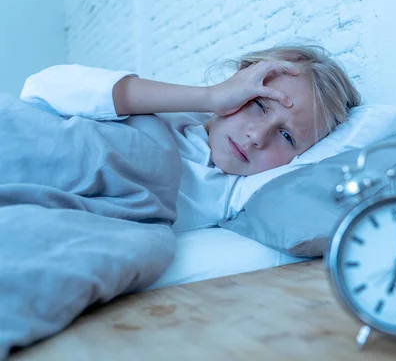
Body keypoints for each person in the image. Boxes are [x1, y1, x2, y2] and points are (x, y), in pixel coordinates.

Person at [19, 43, 362, 229]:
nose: (257, 136)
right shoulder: (170, 110)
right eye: (259, 104)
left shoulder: (235, 195)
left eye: (287, 137)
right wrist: (209, 96)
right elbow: (42, 89)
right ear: (238, 83)